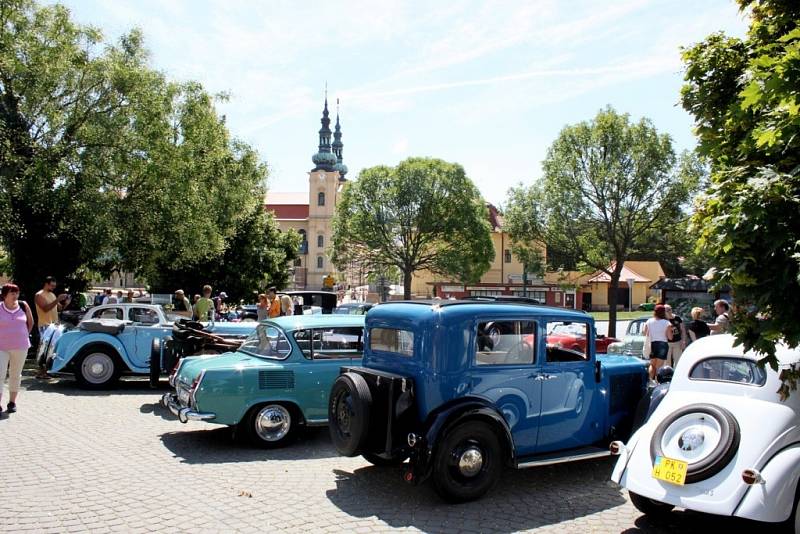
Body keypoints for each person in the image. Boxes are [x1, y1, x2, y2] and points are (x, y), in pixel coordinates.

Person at [0, 284, 33, 413]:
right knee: (0, 374)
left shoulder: (24, 306)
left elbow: (30, 322)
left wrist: (24, 335)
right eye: (12, 293)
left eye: (16, 293)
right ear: (4, 295)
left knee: (15, 374)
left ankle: (12, 402)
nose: (15, 296)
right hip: (1, 347)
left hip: (21, 346)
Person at [34, 276, 69, 379]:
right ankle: (41, 372)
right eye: (52, 285)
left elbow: (59, 308)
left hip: (54, 326)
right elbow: (45, 308)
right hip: (45, 325)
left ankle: (47, 371)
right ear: (46, 284)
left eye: (54, 286)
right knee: (44, 349)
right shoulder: (39, 295)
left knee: (53, 349)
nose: (53, 287)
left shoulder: (52, 294)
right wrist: (57, 299)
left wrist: (65, 303)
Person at [643, 304, 673, 382]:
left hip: (652, 344)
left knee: (652, 365)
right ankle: (657, 383)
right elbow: (670, 337)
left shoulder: (649, 321)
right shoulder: (667, 323)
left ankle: (649, 381)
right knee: (659, 366)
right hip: (662, 344)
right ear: (663, 312)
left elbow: (644, 332)